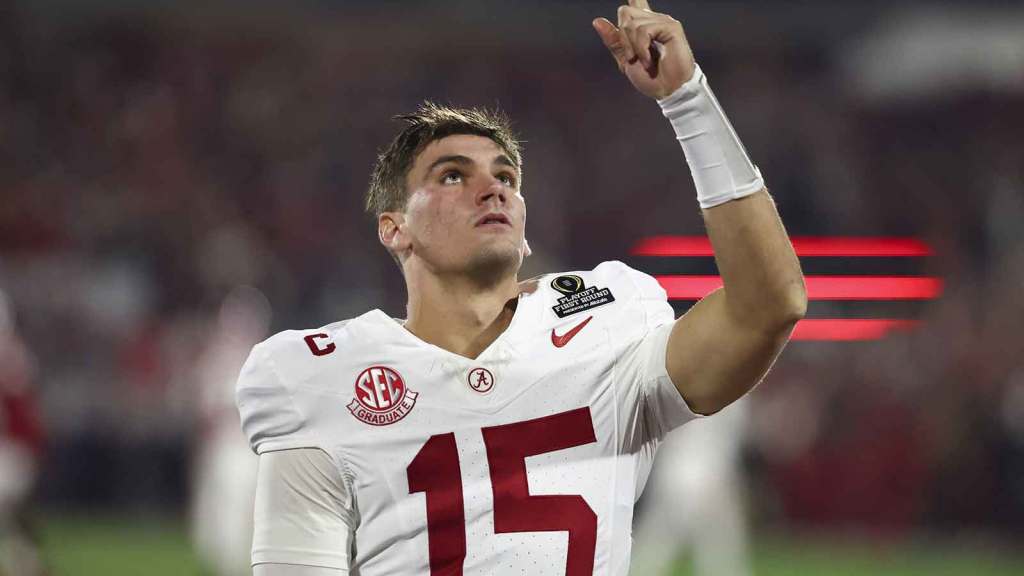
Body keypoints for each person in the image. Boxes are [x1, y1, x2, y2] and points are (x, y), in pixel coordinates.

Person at [236, 1, 806, 574]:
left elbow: (770, 306)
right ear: (394, 227)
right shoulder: (321, 378)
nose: (493, 189)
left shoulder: (609, 321)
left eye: (506, 176)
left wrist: (687, 99)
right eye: (453, 175)